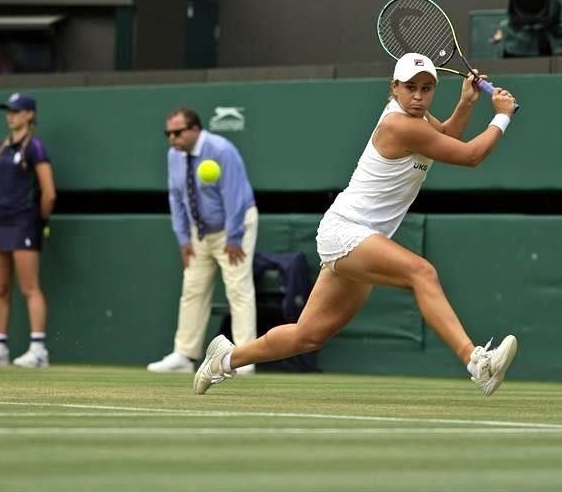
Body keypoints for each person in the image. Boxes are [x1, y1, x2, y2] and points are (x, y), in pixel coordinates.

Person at [193, 53, 520, 396]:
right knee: (421, 273)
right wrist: (501, 116)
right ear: (394, 88)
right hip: (346, 230)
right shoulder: (400, 125)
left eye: (426, 88)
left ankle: (225, 359)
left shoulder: (418, 120)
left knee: (309, 335)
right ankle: (476, 363)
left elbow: (448, 139)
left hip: (359, 235)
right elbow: (469, 156)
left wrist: (466, 104)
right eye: (410, 88)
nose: (419, 96)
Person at [148, 108, 259, 375]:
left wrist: (234, 236)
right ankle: (184, 356)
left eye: (177, 132)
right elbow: (176, 197)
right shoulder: (174, 156)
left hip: (235, 227)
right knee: (192, 290)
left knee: (238, 289)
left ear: (195, 129)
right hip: (200, 234)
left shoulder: (222, 150)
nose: (172, 138)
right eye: (168, 133)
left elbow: (235, 194)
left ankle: (245, 358)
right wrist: (183, 237)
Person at [0, 92, 56, 368]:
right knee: (1, 287)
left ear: (29, 115)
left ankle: (38, 349)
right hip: (0, 220)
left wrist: (39, 220)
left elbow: (49, 193)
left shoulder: (35, 148)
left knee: (29, 286)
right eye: (8, 111)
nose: (11, 115)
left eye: (17, 111)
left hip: (24, 222)